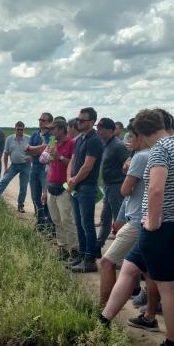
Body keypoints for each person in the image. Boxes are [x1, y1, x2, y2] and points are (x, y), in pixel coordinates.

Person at [98, 109, 174, 346]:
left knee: (167, 285)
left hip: (162, 226)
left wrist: (152, 223)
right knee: (129, 269)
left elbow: (155, 188)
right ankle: (103, 320)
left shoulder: (160, 149)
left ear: (140, 133)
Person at [99, 121, 149, 306]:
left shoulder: (140, 157)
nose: (128, 140)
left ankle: (104, 308)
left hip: (136, 219)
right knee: (146, 268)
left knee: (107, 262)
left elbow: (125, 190)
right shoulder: (151, 153)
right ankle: (149, 310)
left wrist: (128, 171)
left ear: (140, 137)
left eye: (132, 136)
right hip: (145, 218)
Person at [67, 107, 104, 272]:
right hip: (76, 186)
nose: (78, 122)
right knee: (79, 223)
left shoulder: (94, 140)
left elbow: (88, 166)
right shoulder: (80, 139)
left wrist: (73, 181)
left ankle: (90, 260)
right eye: (78, 119)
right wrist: (69, 178)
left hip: (87, 187)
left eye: (82, 120)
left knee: (87, 223)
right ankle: (82, 255)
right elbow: (73, 161)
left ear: (92, 122)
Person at [44, 118, 78, 261]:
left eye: (53, 129)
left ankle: (75, 249)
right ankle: (63, 248)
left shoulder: (72, 143)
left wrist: (60, 157)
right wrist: (45, 190)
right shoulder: (53, 142)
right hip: (52, 184)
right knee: (56, 219)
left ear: (61, 129)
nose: (50, 131)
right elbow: (49, 165)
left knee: (66, 219)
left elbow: (74, 164)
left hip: (64, 186)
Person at [97, 118, 128, 245]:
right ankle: (98, 245)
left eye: (101, 129)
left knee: (119, 220)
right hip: (108, 186)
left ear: (110, 130)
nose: (98, 131)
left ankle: (122, 252)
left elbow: (127, 165)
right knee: (105, 218)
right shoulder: (105, 143)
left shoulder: (118, 146)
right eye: (97, 128)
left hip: (117, 187)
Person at [27, 113, 54, 229]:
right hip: (34, 167)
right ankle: (40, 222)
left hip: (45, 169)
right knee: (35, 196)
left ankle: (49, 223)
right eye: (40, 119)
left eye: (43, 120)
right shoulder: (35, 134)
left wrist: (34, 149)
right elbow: (28, 150)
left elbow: (48, 152)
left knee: (46, 197)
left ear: (49, 122)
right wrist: (41, 148)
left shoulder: (52, 135)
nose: (41, 121)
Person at [0, 121, 31, 212]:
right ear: (15, 129)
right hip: (13, 165)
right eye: (18, 129)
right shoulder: (9, 139)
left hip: (25, 165)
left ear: (24, 129)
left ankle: (20, 205)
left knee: (23, 186)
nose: (19, 131)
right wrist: (5, 168)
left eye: (21, 129)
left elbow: (34, 151)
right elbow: (5, 154)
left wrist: (31, 157)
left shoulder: (28, 139)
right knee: (4, 180)